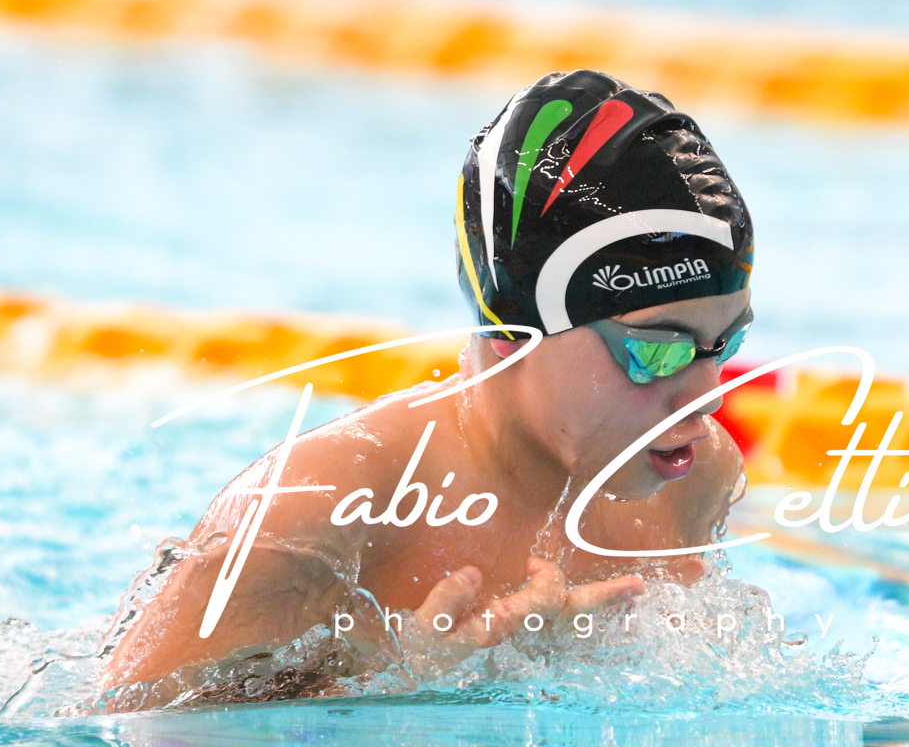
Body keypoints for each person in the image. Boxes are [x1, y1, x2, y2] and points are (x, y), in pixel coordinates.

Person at [96, 69, 756, 705]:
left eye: (725, 345)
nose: (708, 397)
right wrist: (395, 684)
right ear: (513, 328)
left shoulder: (693, 480)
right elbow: (122, 736)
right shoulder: (312, 516)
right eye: (655, 352)